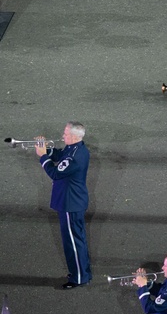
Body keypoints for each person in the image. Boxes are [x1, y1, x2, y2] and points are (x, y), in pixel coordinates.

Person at [36, 122, 91, 288]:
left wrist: (42, 156)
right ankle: (81, 273)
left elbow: (54, 173)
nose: (62, 136)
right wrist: (47, 150)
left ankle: (79, 278)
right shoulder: (75, 148)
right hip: (72, 202)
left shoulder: (75, 156)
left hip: (70, 204)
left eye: (65, 134)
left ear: (74, 136)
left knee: (73, 243)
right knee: (76, 241)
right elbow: (60, 155)